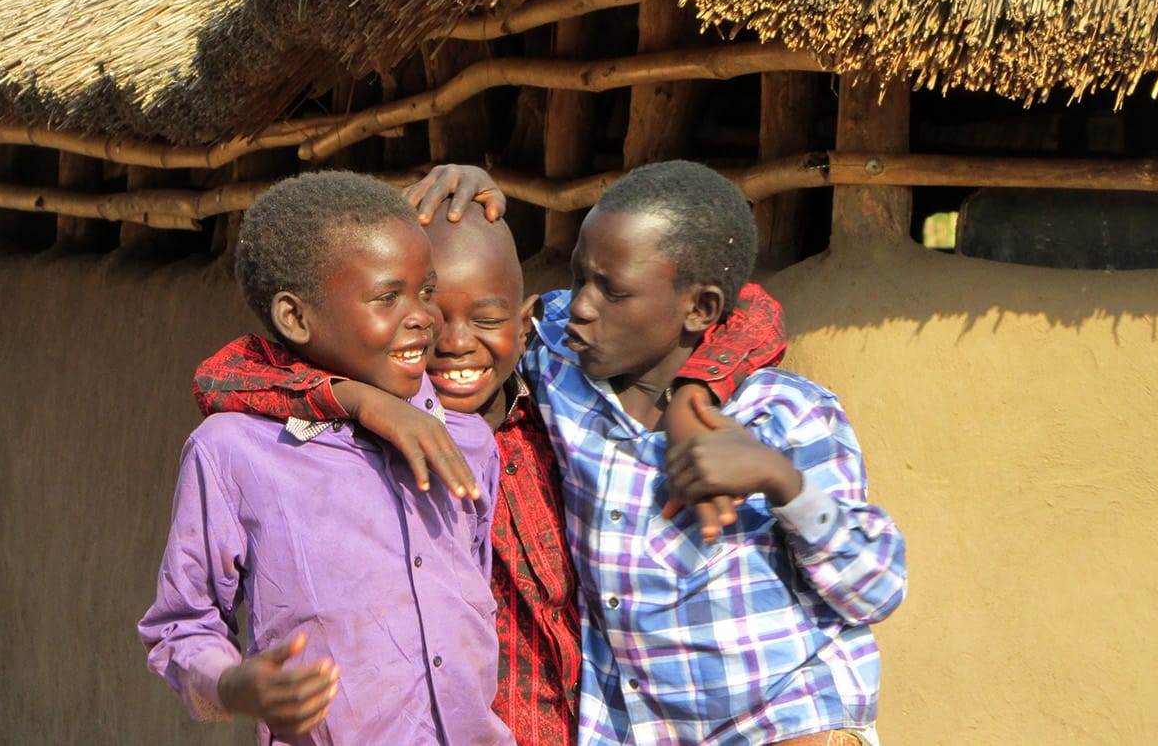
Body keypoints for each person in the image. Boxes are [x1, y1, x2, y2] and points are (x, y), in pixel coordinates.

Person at [189, 166, 790, 745]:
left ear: (525, 322)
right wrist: (360, 401)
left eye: (486, 317)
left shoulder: (563, 383)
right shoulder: (344, 437)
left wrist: (694, 391)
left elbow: (747, 309)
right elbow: (224, 375)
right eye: (420, 304)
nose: (449, 339)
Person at [519, 160, 908, 746]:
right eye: (579, 279)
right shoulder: (558, 361)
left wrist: (781, 482)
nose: (581, 305)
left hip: (785, 718)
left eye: (612, 291)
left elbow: (875, 590)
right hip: (633, 726)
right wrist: (470, 189)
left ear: (700, 309)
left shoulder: (783, 414)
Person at [137, 171, 513, 746]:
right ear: (296, 318)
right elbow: (181, 625)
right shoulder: (236, 452)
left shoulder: (465, 441)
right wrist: (232, 684)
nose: (423, 317)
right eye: (388, 297)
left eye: (426, 291)